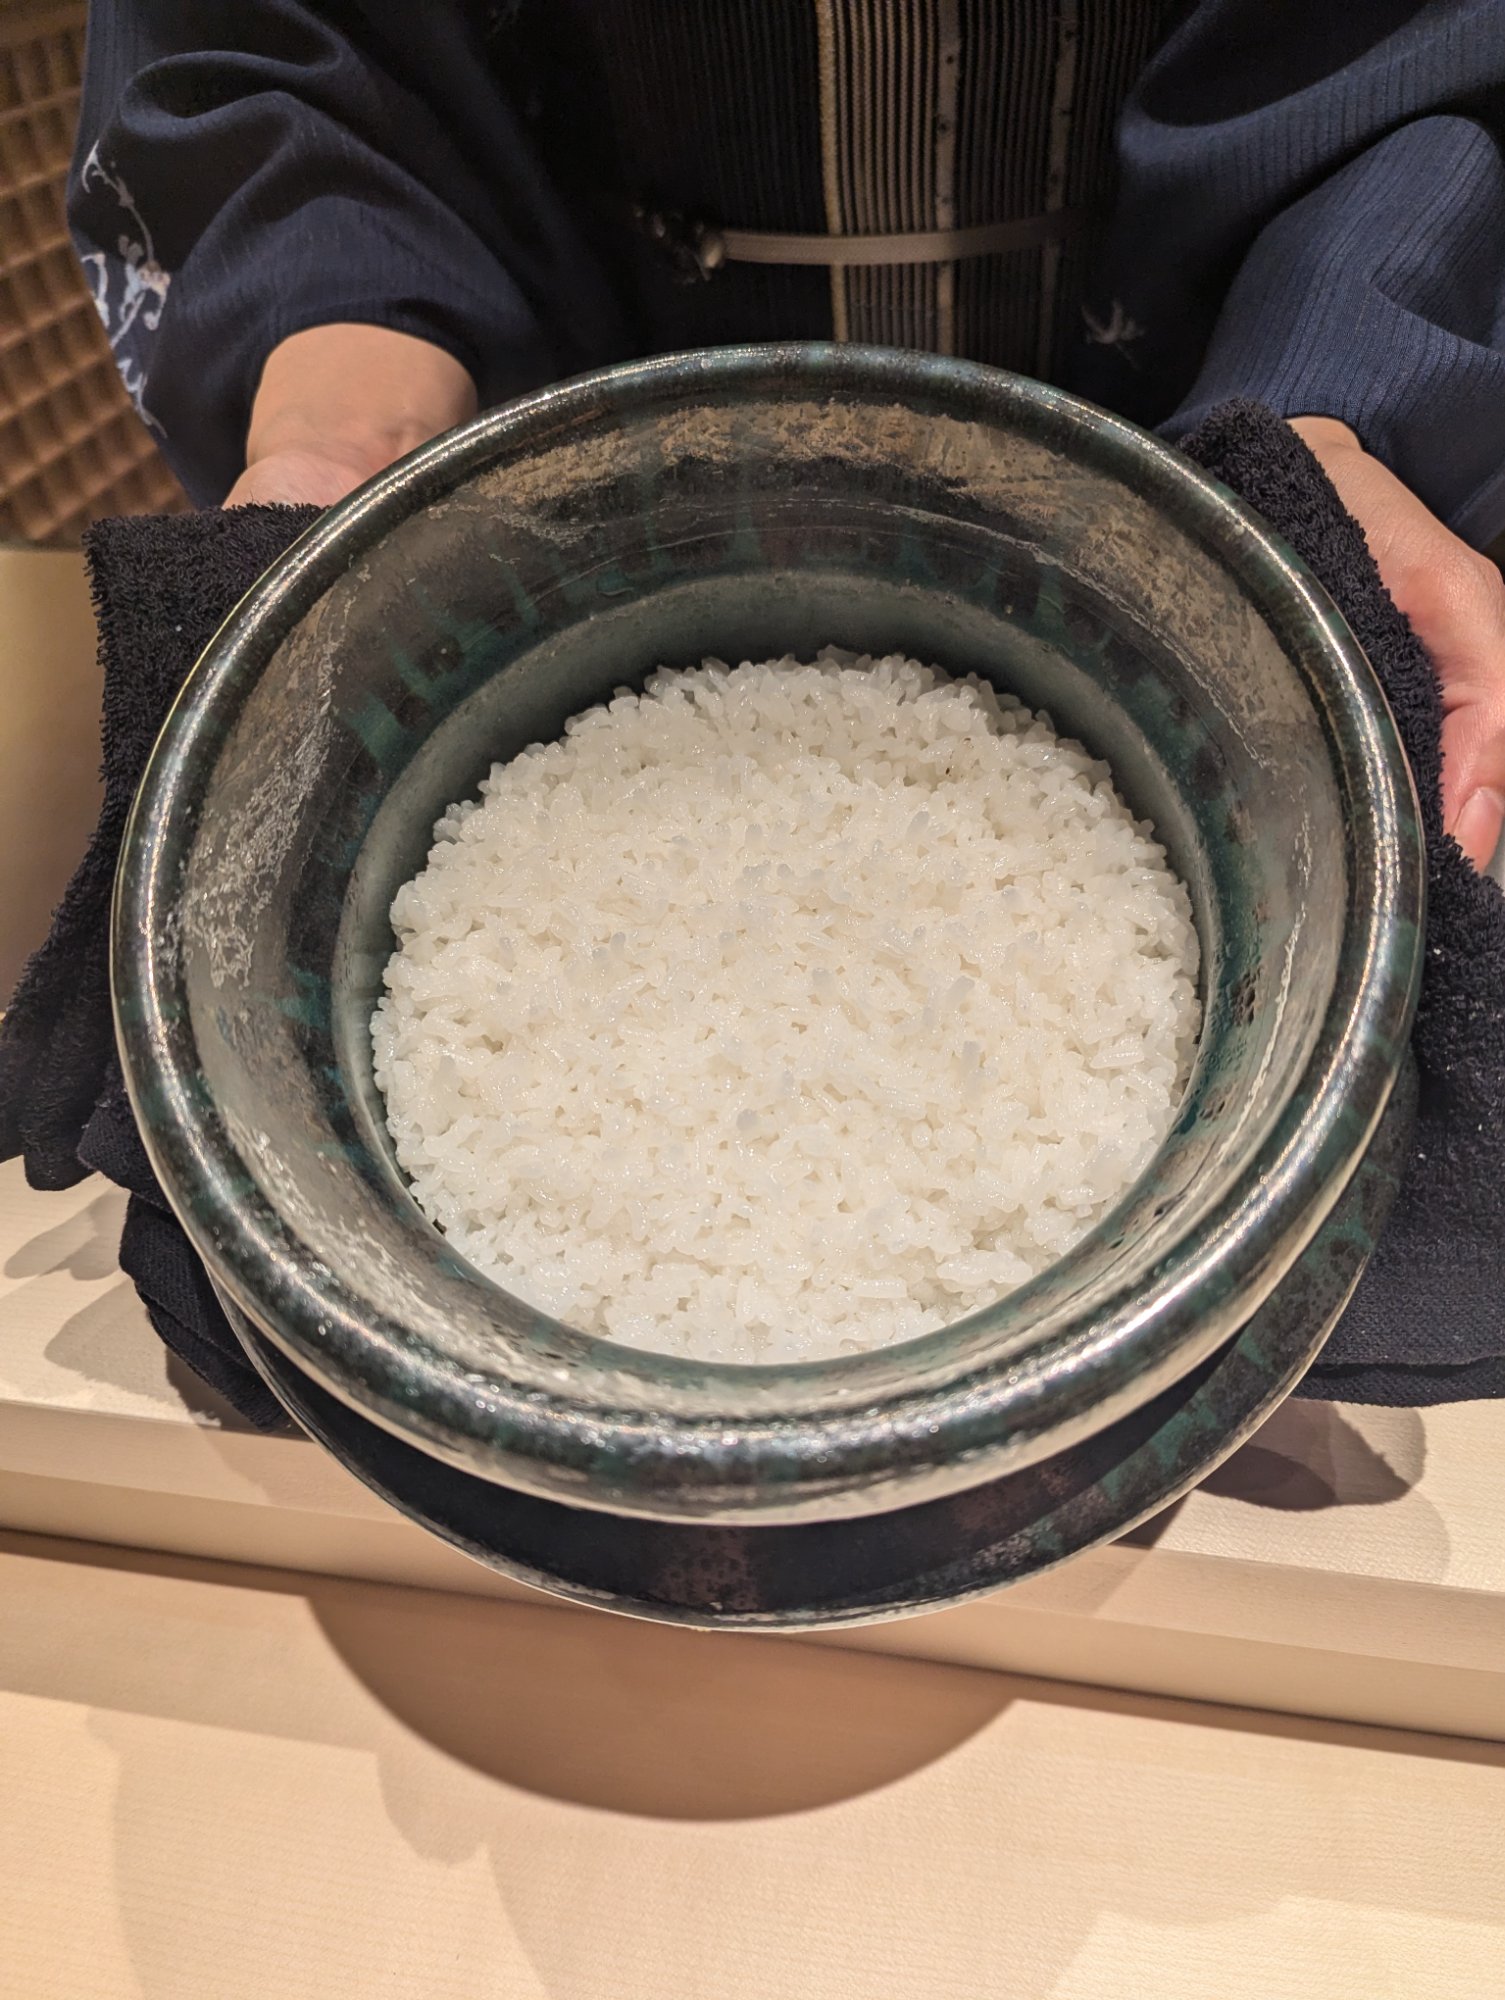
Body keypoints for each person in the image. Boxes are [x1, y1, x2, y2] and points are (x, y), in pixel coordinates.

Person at [72, 0, 1505, 868]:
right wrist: (346, 419)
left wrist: (1327, 414)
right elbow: (271, 44)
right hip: (544, 535)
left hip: (1184, 429)